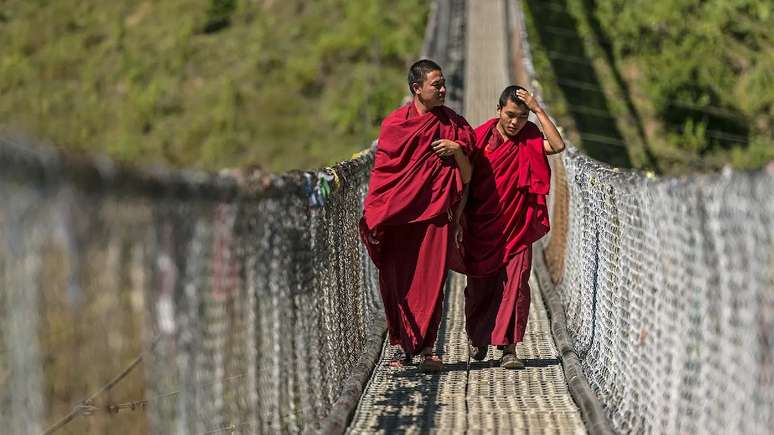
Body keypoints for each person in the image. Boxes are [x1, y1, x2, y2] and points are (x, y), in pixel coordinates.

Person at [360, 59, 475, 372]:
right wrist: (376, 212)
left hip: (435, 214)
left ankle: (427, 350)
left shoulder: (453, 125)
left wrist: (457, 150)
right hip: (398, 218)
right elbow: (384, 173)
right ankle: (401, 347)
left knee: (431, 282)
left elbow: (466, 178)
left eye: (443, 84)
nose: (443, 89)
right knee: (397, 281)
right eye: (436, 84)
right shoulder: (395, 125)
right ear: (417, 89)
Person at [458, 85, 565, 369]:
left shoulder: (530, 138)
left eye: (522, 116)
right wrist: (458, 219)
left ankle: (509, 349)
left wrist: (539, 109)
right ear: (498, 110)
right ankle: (478, 337)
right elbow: (466, 182)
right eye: (510, 115)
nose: (515, 122)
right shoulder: (479, 138)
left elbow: (557, 145)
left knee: (516, 287)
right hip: (481, 227)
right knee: (480, 287)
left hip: (517, 227)